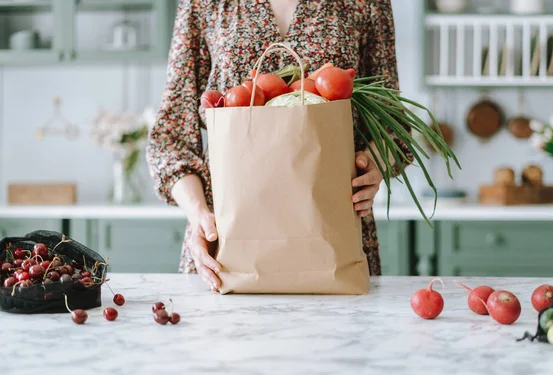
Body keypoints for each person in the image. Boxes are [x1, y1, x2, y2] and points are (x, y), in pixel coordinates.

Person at [146, 0, 413, 291]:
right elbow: (170, 139)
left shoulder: (366, 4)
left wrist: (372, 166)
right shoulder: (204, 3)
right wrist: (199, 215)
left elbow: (393, 127)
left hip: (332, 228)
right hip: (224, 237)